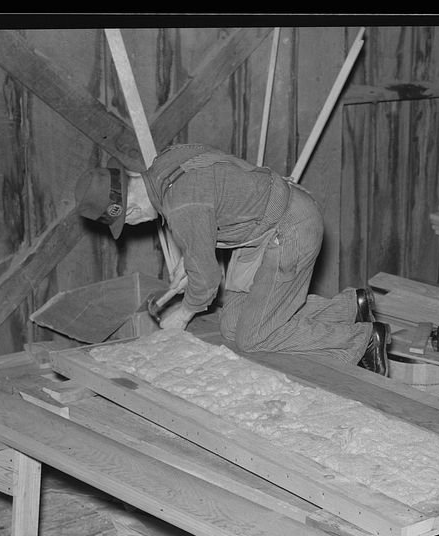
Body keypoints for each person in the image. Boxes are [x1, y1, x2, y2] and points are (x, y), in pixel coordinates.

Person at [73, 145, 389, 375]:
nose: (133, 226)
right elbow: (218, 194)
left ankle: (363, 340)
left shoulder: (182, 207)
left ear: (130, 212)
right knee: (232, 324)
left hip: (291, 227)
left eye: (126, 223)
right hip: (258, 231)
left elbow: (208, 280)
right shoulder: (166, 163)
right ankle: (350, 308)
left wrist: (181, 316)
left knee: (254, 338)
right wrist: (193, 254)